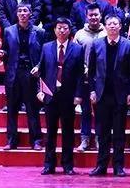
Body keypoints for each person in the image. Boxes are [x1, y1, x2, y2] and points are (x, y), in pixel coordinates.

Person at [88, 15, 130, 177]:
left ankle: (118, 166)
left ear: (120, 26)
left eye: (115, 23)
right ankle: (101, 165)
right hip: (102, 95)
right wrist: (92, 90)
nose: (112, 26)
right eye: (109, 23)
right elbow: (91, 71)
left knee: (119, 133)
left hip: (121, 95)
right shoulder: (96, 44)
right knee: (102, 133)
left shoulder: (129, 45)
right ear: (105, 26)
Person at [37, 17, 85, 175]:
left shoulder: (77, 49)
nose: (62, 30)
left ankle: (68, 165)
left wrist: (78, 95)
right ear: (54, 30)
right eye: (59, 28)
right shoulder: (46, 47)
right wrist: (39, 90)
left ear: (69, 30)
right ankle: (49, 164)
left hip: (68, 96)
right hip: (50, 95)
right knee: (50, 132)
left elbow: (80, 75)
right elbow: (41, 71)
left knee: (68, 132)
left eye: (65, 28)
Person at [0, 3, 44, 150]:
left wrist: (39, 67)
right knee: (12, 108)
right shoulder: (9, 31)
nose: (23, 13)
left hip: (31, 73)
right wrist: (2, 53)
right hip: (14, 73)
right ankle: (11, 140)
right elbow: (5, 50)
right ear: (16, 14)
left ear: (30, 13)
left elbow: (44, 54)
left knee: (32, 109)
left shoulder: (39, 32)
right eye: (20, 11)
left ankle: (36, 140)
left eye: (25, 11)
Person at [72, 3, 106, 151]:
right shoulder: (79, 35)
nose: (93, 17)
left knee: (101, 111)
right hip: (85, 79)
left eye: (96, 14)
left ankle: (99, 139)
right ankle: (85, 140)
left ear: (101, 16)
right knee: (86, 110)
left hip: (102, 80)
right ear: (86, 16)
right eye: (90, 15)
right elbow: (73, 55)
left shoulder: (107, 33)